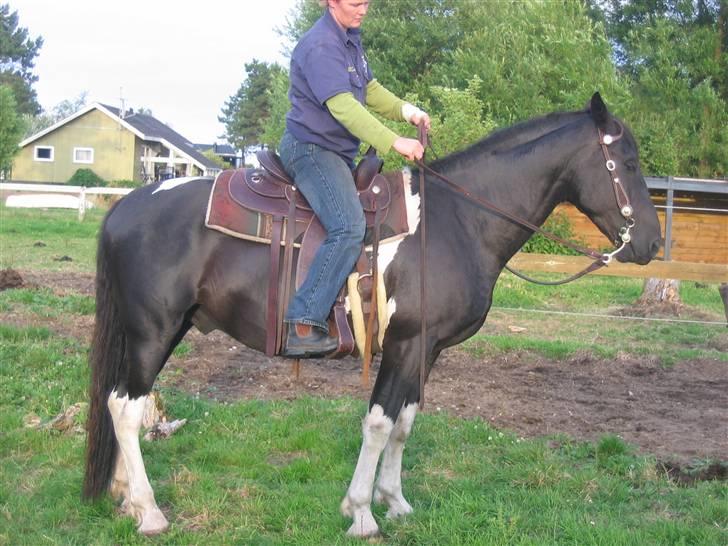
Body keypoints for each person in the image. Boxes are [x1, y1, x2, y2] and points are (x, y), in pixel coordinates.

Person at [279, 0, 431, 358]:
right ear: (331, 1)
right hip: (312, 149)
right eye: (355, 2)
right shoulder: (320, 45)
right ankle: (303, 323)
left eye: (367, 1)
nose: (363, 8)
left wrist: (406, 111)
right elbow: (343, 106)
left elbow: (369, 90)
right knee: (348, 225)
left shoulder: (348, 38)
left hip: (335, 151)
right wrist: (394, 141)